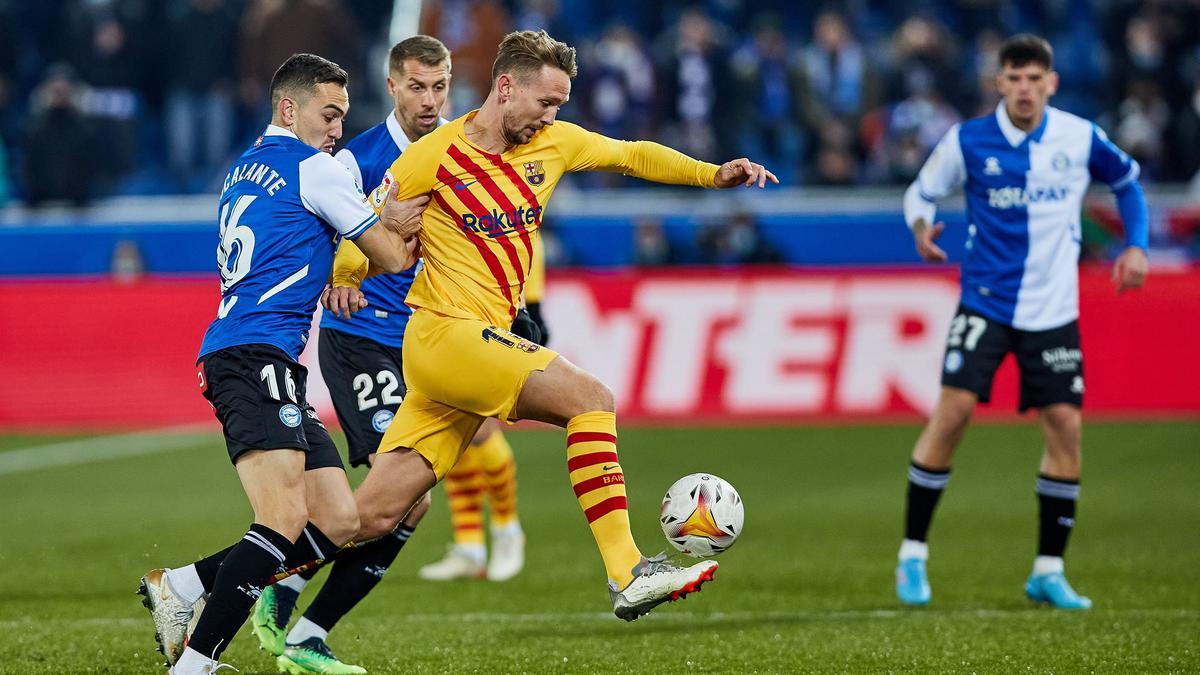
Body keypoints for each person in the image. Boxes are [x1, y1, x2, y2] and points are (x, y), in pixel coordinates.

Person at [326, 29, 776, 621]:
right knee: (591, 398)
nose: (552, 115)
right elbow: (371, 225)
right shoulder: (433, 156)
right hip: (443, 334)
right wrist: (347, 275)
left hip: (463, 352)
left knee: (374, 515)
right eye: (546, 102)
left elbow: (632, 153)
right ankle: (627, 572)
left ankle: (207, 583)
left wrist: (711, 174)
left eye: (560, 104)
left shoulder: (556, 143)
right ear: (505, 87)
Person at [137, 53, 428, 674]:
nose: (337, 130)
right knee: (283, 518)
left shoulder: (243, 168)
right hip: (253, 354)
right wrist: (392, 219)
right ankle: (195, 665)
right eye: (329, 114)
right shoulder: (315, 170)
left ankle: (186, 586)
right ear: (289, 109)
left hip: (257, 355)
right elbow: (391, 256)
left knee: (341, 517)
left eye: (344, 117)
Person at [896, 34, 1149, 610]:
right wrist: (920, 227)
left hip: (1053, 309)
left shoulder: (1078, 136)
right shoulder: (968, 140)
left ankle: (1048, 570)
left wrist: (1135, 246)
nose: (1025, 89)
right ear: (999, 83)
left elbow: (1128, 181)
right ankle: (912, 553)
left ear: (1051, 83)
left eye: (1035, 79)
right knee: (952, 413)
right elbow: (921, 192)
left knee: (1065, 426)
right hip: (986, 301)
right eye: (1014, 78)